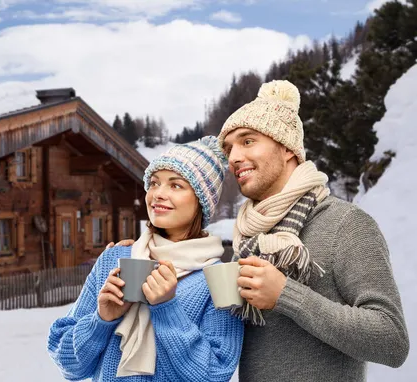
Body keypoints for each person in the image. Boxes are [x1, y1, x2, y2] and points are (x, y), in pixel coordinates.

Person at [110, 80, 409, 382]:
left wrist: (286, 295)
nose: (233, 157)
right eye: (229, 148)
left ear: (287, 148)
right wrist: (145, 247)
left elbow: (392, 340)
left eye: (247, 141)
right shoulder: (249, 237)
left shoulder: (346, 224)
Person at [47, 136, 244, 381]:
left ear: (201, 202)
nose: (158, 194)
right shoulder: (115, 258)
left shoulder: (221, 280)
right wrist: (102, 319)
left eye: (176, 185)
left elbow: (215, 374)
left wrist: (167, 309)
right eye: (153, 183)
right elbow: (69, 364)